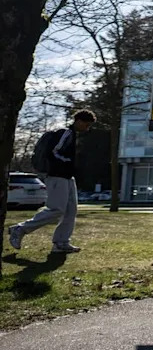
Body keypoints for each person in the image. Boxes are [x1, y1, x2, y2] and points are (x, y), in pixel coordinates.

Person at [9, 109, 96, 254]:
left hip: (67, 177)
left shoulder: (72, 135)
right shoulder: (65, 133)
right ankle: (20, 229)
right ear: (79, 121)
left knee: (71, 211)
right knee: (56, 209)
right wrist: (67, 162)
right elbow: (54, 152)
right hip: (57, 176)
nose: (87, 128)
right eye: (87, 125)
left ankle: (61, 242)